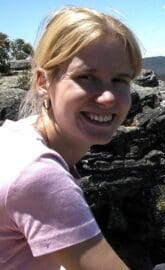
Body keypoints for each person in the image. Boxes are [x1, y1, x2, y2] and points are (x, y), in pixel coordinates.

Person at [0, 6, 141, 269]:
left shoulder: (17, 135)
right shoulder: (37, 174)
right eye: (86, 77)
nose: (108, 97)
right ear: (43, 82)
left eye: (120, 80)